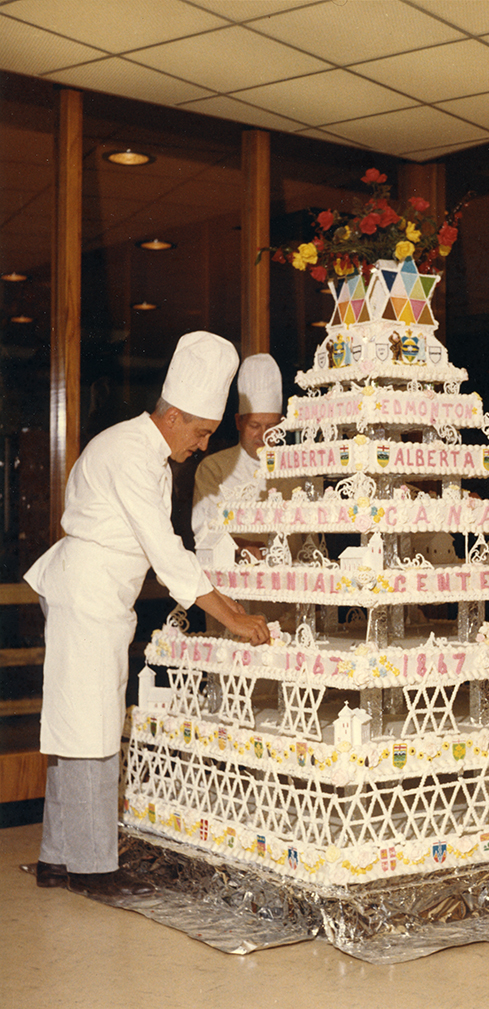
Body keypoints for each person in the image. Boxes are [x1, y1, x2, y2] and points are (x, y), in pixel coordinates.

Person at [25, 331, 272, 899]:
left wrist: (223, 601)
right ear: (175, 416)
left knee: (76, 724)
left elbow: (170, 552)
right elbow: (163, 549)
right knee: (90, 729)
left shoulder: (147, 452)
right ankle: (94, 870)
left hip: (97, 594)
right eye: (202, 432)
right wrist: (229, 617)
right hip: (86, 592)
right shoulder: (130, 452)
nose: (203, 444)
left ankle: (58, 857)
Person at [192, 352, 285, 542]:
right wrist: (242, 547)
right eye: (254, 426)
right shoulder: (213, 469)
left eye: (271, 427)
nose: (263, 435)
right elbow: (204, 530)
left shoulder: (297, 468)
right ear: (238, 423)